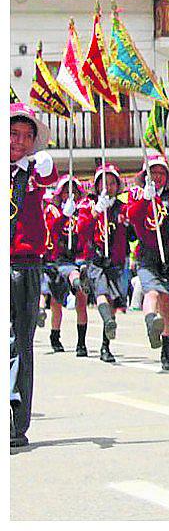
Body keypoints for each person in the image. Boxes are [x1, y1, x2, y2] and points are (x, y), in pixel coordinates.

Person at [10, 104, 58, 448]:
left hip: (23, 265)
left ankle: (15, 418)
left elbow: (48, 176)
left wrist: (42, 166)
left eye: (28, 136)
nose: (21, 142)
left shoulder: (32, 173)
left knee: (18, 343)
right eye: (14, 134)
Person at [126, 153, 169, 371]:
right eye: (154, 172)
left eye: (162, 173)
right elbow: (132, 216)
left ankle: (167, 353)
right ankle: (151, 320)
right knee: (151, 291)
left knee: (168, 306)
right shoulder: (137, 194)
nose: (158, 177)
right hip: (148, 255)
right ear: (146, 175)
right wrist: (145, 199)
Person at [76, 163, 125, 363]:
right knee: (101, 294)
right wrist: (96, 212)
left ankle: (106, 345)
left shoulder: (122, 207)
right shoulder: (89, 205)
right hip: (96, 258)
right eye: (104, 182)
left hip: (116, 260)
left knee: (112, 301)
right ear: (97, 186)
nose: (109, 186)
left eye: (113, 183)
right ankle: (105, 322)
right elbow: (81, 230)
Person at [42, 175, 82, 353]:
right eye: (66, 191)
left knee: (74, 274)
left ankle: (74, 290)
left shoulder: (80, 211)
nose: (69, 195)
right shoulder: (52, 210)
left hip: (71, 257)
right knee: (55, 302)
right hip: (53, 257)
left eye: (73, 191)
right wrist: (63, 216)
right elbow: (50, 229)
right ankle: (54, 334)